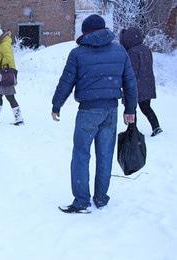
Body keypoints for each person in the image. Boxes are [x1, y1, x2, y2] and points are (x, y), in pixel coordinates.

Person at [51, 15, 138, 213]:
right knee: (105, 155)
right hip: (111, 111)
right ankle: (100, 198)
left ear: (86, 32)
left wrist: (57, 105)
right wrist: (130, 109)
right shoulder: (119, 51)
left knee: (81, 154)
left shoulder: (77, 54)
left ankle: (82, 201)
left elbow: (66, 81)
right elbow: (130, 83)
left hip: (88, 111)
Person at [120, 27, 163, 137]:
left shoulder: (131, 52)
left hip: (136, 86)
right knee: (146, 107)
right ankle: (156, 127)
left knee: (131, 108)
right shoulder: (146, 49)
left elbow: (131, 72)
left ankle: (132, 131)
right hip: (147, 84)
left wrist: (126, 85)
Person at [0, 24, 24, 126]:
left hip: (7, 74)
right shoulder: (0, 45)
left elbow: (8, 59)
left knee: (10, 97)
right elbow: (1, 58)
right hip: (2, 75)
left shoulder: (5, 45)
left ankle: (19, 119)